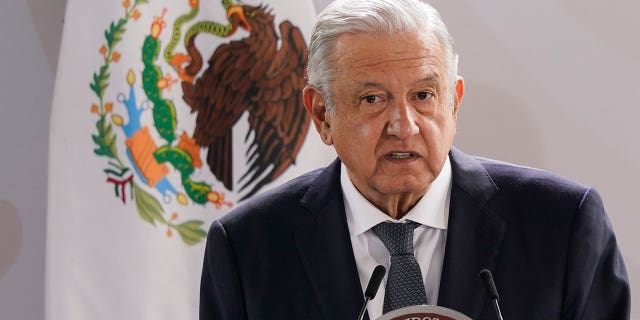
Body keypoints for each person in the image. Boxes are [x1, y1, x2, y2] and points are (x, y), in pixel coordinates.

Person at [199, 0, 630, 319]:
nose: (403, 126)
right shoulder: (248, 248)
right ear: (321, 115)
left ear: (454, 102)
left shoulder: (562, 225)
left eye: (423, 96)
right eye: (372, 99)